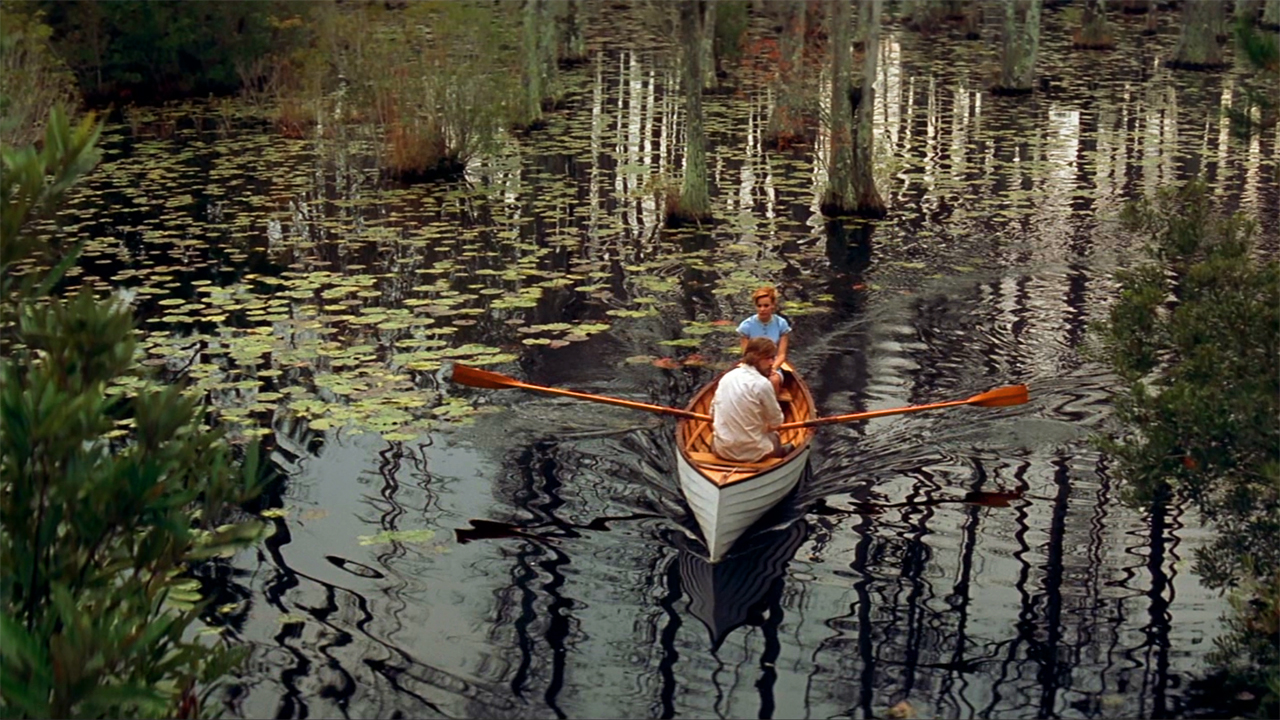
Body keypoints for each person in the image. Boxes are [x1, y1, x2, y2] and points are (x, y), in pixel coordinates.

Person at [710, 337, 796, 462]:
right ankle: (780, 454)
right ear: (755, 358)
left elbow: (712, 413)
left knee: (716, 437)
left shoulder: (727, 377)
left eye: (773, 358)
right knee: (775, 437)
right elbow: (776, 421)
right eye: (768, 358)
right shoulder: (762, 384)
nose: (772, 362)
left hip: (722, 451)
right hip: (754, 455)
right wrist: (765, 426)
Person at [737, 286, 791, 396]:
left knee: (773, 381)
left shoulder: (781, 324)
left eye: (766, 305)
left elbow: (781, 355)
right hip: (752, 365)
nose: (762, 309)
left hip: (772, 364)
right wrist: (757, 370)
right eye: (759, 306)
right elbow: (746, 355)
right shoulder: (746, 326)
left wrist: (773, 368)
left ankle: (771, 407)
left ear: (773, 306)